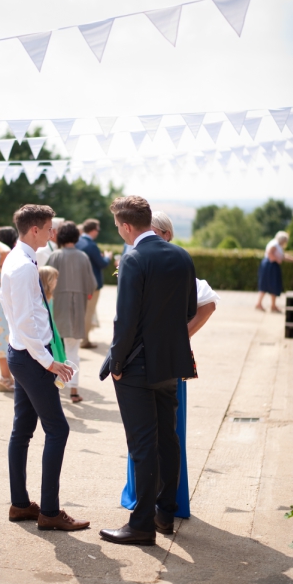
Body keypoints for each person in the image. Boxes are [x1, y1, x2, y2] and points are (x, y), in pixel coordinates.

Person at [99, 196, 196, 546]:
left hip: (137, 366)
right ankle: (164, 513)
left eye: (118, 227)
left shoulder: (134, 258)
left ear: (127, 226)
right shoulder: (182, 255)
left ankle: (140, 525)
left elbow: (124, 321)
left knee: (143, 445)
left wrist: (118, 363)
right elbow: (188, 310)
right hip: (170, 363)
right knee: (167, 441)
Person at [121, 211, 219, 518]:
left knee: (156, 435)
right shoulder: (176, 258)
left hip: (148, 361)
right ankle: (159, 504)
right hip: (169, 359)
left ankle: (153, 508)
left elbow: (207, 303)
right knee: (164, 435)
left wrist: (180, 336)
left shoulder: (145, 259)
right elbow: (191, 306)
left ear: (163, 233)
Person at [0, 204, 87, 531]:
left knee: (22, 430)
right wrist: (49, 362)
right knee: (58, 429)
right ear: (34, 230)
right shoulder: (22, 266)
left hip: (22, 353)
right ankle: (49, 511)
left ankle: (20, 504)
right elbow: (24, 324)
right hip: (31, 356)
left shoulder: (19, 258)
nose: (53, 233)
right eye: (50, 228)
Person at [47, 222, 96, 404]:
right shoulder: (83, 256)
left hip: (57, 307)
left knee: (54, 349)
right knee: (73, 350)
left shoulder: (55, 256)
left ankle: (55, 388)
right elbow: (91, 284)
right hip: (77, 309)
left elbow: (43, 282)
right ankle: (74, 390)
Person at [76, 218, 112, 349]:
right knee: (88, 312)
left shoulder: (78, 241)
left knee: (83, 311)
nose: (98, 232)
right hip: (92, 285)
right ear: (93, 230)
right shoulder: (91, 245)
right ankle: (84, 340)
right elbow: (102, 264)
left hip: (79, 283)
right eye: (98, 229)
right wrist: (107, 257)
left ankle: (81, 338)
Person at [0, 226, 18, 392]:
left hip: (0, 299)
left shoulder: (0, 257)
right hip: (2, 300)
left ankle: (7, 376)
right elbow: (6, 249)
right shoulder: (4, 255)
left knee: (4, 337)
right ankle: (5, 377)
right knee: (3, 338)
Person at [256, 230, 293, 313]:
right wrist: (277, 260)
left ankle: (273, 305)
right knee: (267, 284)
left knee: (274, 285)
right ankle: (259, 303)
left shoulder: (278, 245)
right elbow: (270, 253)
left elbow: (282, 256)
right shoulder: (274, 244)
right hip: (270, 265)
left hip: (272, 265)